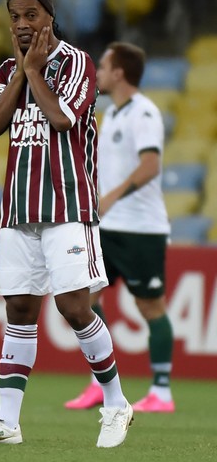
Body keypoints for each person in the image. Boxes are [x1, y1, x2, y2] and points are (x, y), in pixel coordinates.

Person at [0, 0, 133, 448]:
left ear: (49, 18)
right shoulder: (4, 72)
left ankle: (116, 404)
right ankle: (7, 422)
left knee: (74, 306)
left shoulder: (78, 63)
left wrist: (34, 71)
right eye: (14, 16)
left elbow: (61, 119)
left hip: (67, 207)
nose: (21, 24)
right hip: (18, 208)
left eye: (30, 15)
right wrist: (20, 72)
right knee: (19, 308)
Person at [64, 42, 175, 413]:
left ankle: (161, 391)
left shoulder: (144, 113)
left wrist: (110, 197)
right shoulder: (110, 114)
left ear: (119, 73)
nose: (97, 71)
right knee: (86, 299)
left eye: (103, 65)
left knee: (150, 307)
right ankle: (100, 381)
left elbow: (150, 167)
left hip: (141, 230)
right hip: (106, 228)